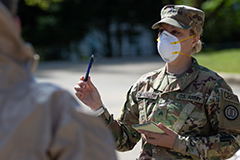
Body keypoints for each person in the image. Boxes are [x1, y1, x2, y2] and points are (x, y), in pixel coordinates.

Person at [74, 4, 240, 160]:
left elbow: (233, 142)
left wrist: (179, 143)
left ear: (194, 40)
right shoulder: (145, 83)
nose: (165, 38)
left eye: (175, 32)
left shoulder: (212, 85)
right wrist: (97, 107)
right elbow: (124, 141)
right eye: (162, 31)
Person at [0, 1, 117, 160]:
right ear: (16, 24)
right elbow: (120, 142)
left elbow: (126, 140)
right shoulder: (52, 109)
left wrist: (98, 108)